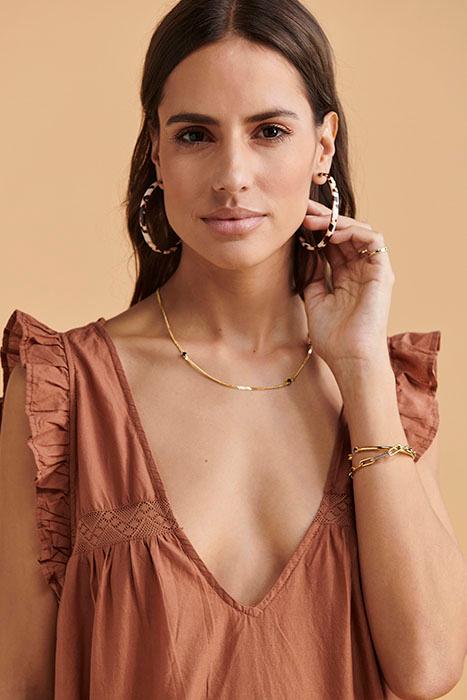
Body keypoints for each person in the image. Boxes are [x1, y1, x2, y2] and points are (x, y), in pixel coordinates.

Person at [1, 1, 466, 698]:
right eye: (195, 135)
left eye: (269, 131)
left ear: (322, 146)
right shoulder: (62, 393)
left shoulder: (380, 389)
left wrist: (361, 366)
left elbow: (427, 668)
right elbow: (22, 683)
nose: (232, 175)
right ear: (156, 151)